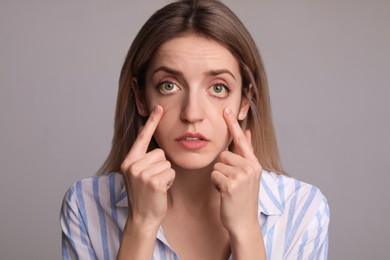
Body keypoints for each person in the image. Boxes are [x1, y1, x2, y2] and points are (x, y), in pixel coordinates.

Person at [60, 0, 330, 259]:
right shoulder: (86, 205)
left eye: (218, 88)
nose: (192, 114)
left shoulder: (303, 209)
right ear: (141, 97)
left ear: (245, 101)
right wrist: (140, 225)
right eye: (169, 85)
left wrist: (246, 230)